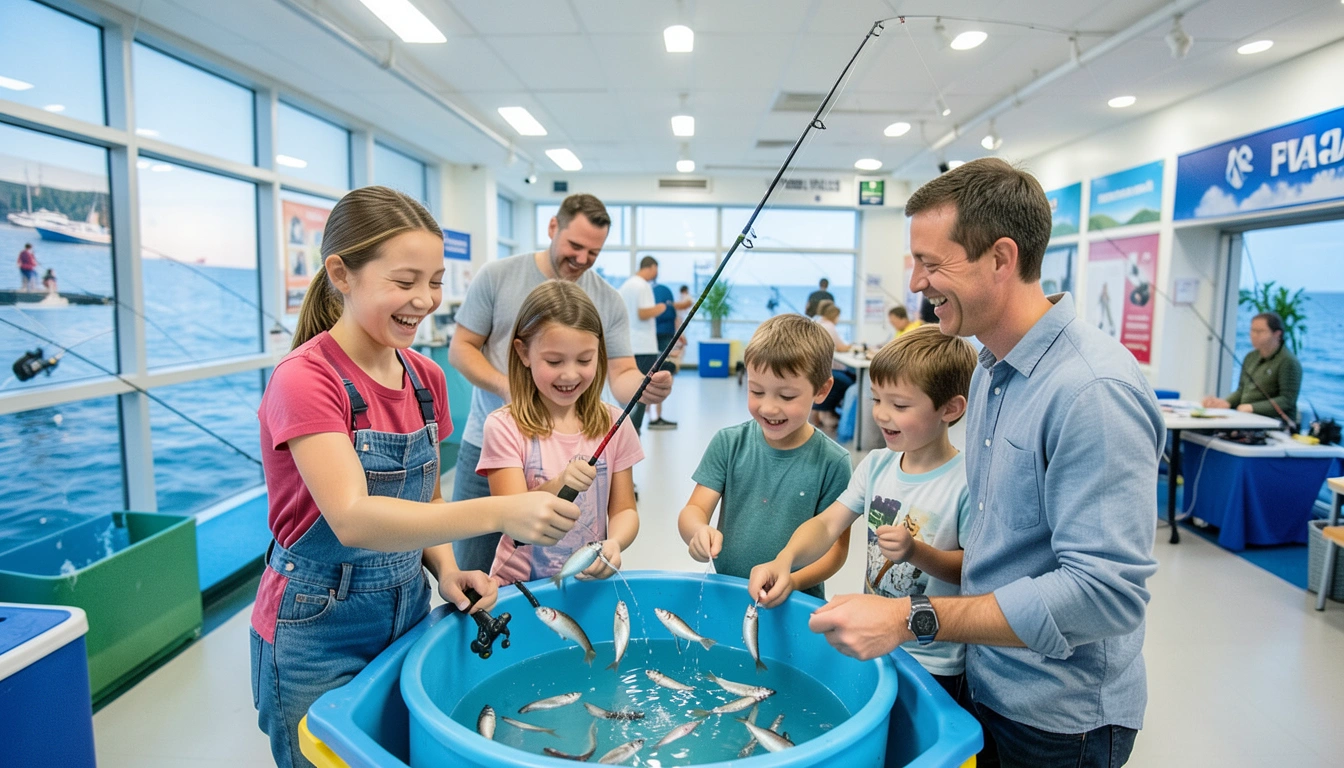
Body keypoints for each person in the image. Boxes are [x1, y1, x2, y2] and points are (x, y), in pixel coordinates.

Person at [806, 158, 1161, 768]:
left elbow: (1106, 594)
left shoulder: (1092, 391)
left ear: (1001, 258)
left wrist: (911, 617)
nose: (916, 283)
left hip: (1058, 721)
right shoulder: (995, 371)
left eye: (932, 263)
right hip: (983, 679)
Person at [249, 186, 579, 768]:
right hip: (315, 628)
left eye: (435, 281)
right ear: (341, 274)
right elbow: (353, 518)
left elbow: (423, 496)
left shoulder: (425, 377)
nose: (425, 300)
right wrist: (503, 511)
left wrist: (448, 569)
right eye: (404, 282)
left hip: (408, 610)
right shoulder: (305, 380)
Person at [448, 194, 672, 573]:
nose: (582, 259)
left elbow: (621, 373)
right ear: (553, 227)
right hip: (492, 444)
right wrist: (511, 390)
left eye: (594, 253)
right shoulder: (498, 276)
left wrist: (645, 387)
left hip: (574, 450)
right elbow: (461, 349)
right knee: (473, 566)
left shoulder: (608, 300)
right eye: (575, 246)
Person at [749, 325, 976, 697]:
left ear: (950, 408)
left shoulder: (964, 482)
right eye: (876, 400)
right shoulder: (876, 465)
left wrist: (916, 552)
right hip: (873, 640)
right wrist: (785, 560)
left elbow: (969, 568)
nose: (881, 415)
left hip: (933, 658)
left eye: (899, 405)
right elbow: (826, 525)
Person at [677, 314, 852, 599]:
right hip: (728, 592)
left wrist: (792, 581)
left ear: (822, 390)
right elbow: (694, 510)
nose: (769, 408)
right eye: (757, 391)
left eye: (786, 396)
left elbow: (835, 551)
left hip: (795, 598)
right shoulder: (729, 443)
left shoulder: (834, 463)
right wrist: (697, 531)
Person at [480, 281, 642, 585]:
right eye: (554, 361)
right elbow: (510, 516)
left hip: (589, 585)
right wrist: (558, 484)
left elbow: (625, 510)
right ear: (523, 352)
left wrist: (615, 543)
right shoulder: (503, 427)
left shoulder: (615, 422)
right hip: (521, 588)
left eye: (584, 360)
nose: (570, 374)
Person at [1201, 311, 1301, 427]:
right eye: (1252, 330)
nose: (1254, 335)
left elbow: (1287, 400)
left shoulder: (1288, 361)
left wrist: (1252, 407)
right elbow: (1242, 390)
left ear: (1277, 334)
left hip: (1274, 423)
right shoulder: (1250, 357)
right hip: (1247, 419)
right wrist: (1226, 402)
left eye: (1260, 331)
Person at [619, 256, 676, 433]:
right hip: (643, 346)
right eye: (656, 269)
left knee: (633, 390)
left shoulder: (626, 286)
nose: (656, 274)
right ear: (651, 267)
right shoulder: (642, 285)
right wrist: (661, 308)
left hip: (630, 344)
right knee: (643, 391)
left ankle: (627, 427)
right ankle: (633, 430)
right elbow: (643, 313)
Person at [811, 300, 854, 429]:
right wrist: (851, 346)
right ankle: (827, 411)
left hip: (817, 368)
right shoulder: (829, 326)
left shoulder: (817, 322)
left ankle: (824, 411)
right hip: (828, 369)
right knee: (849, 381)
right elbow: (840, 347)